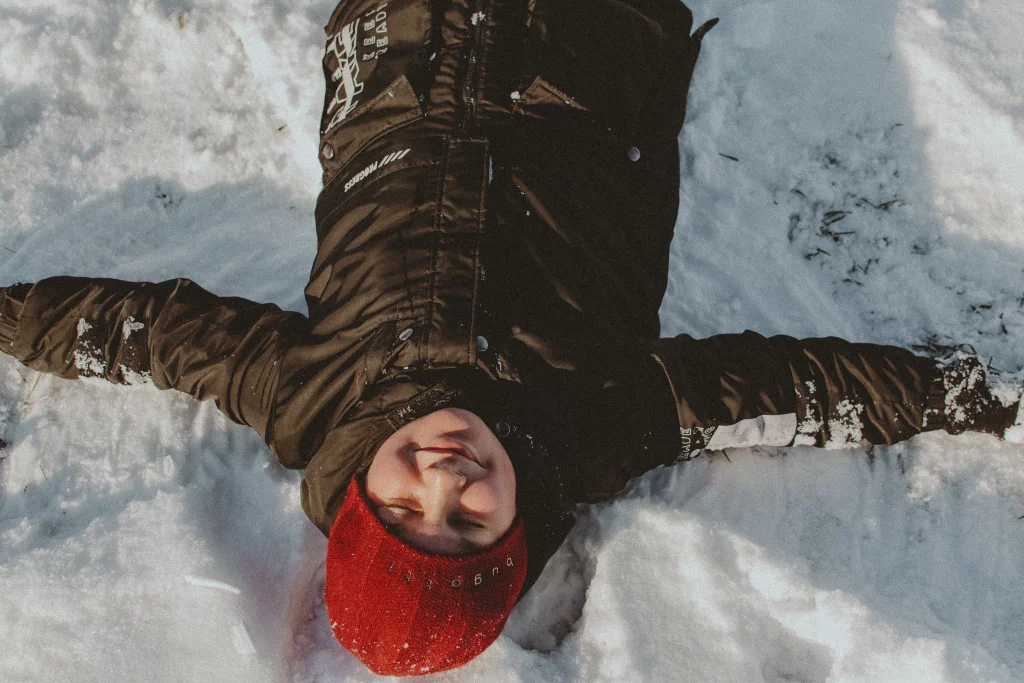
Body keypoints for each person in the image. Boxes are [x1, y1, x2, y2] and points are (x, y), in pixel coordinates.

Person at [0, 0, 1021, 676]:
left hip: (410, 41)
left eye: (405, 508)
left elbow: (144, 333)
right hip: (590, 42)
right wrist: (966, 394)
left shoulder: (310, 395)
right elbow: (787, 389)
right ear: (513, 535)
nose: (444, 479)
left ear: (357, 500)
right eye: (466, 522)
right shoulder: (594, 423)